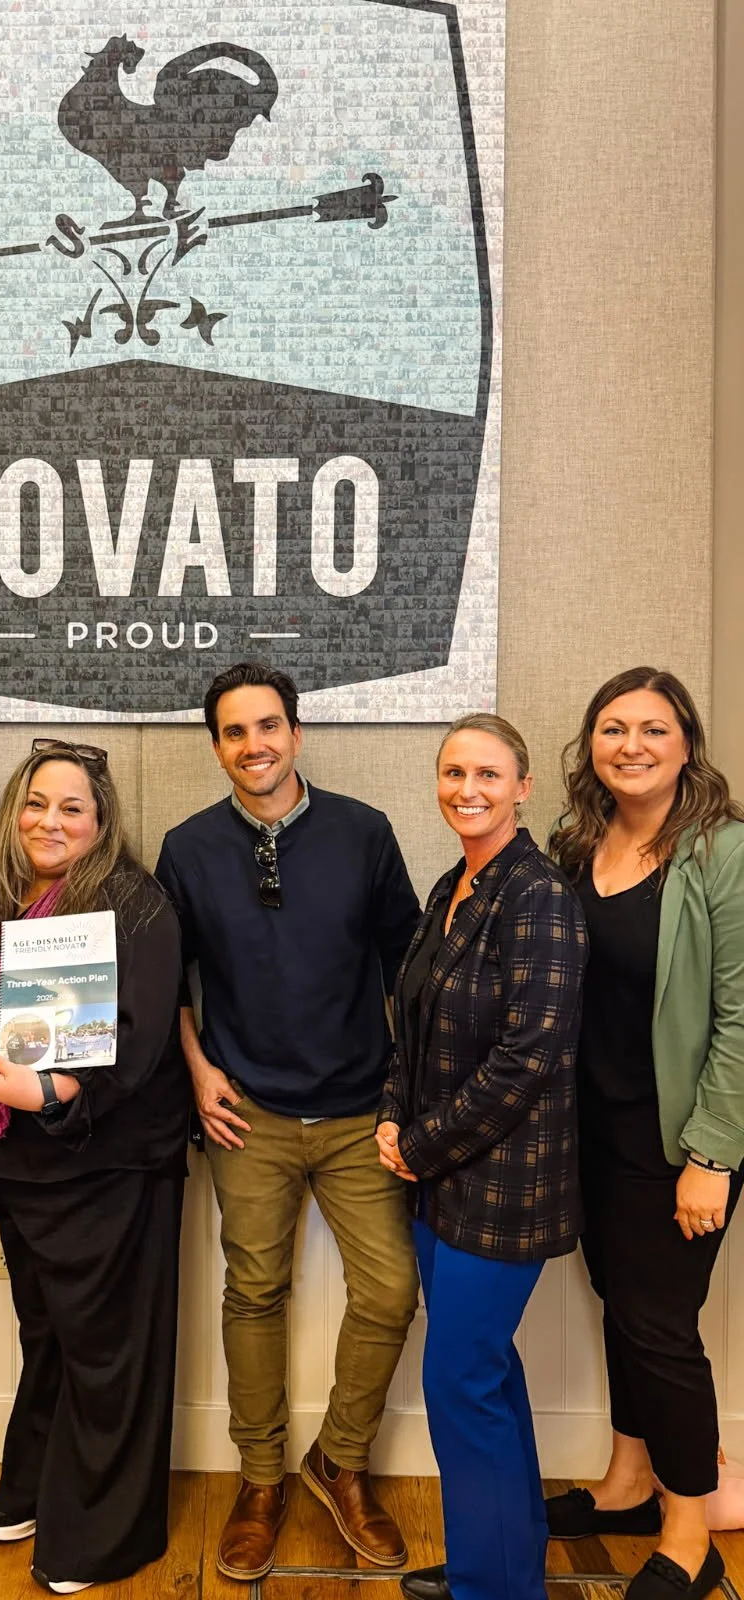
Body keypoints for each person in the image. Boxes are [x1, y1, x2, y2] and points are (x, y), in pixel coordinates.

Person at [154, 662, 421, 1579]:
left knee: (390, 1291)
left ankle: (340, 1462)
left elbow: (408, 970)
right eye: (234, 732)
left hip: (360, 1112)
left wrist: (405, 1093)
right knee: (254, 1293)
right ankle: (260, 1479)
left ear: (296, 734)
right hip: (248, 1116)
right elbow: (168, 981)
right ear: (217, 747)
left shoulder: (364, 832)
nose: (254, 745)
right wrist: (198, 1073)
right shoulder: (189, 848)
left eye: (268, 726)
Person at [0, 738, 189, 1595]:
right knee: (46, 1335)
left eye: (72, 807)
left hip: (109, 1161)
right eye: (36, 804)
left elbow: (139, 1044)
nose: (50, 821)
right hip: (20, 1162)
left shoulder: (134, 902)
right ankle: (36, 1488)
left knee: (109, 1350)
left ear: (101, 819)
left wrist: (51, 1091)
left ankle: (104, 1534)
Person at [544, 668, 744, 1600]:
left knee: (661, 1328)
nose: (631, 746)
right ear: (592, 744)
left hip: (678, 1140)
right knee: (618, 1306)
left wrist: (713, 1155)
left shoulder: (723, 852)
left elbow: (741, 1017)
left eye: (653, 729)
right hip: (589, 1129)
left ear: (686, 744)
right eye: (613, 728)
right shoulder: (576, 841)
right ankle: (627, 1484)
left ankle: (690, 1535)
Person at [377, 713, 586, 1600]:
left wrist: (420, 1144)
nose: (468, 790)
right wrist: (394, 1115)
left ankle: (491, 1587)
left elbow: (527, 1058)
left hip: (503, 1190)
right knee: (484, 1375)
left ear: (523, 787)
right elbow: (413, 1020)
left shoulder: (538, 897)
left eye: (488, 775)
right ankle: (500, 1567)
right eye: (454, 773)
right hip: (438, 1185)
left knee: (461, 1382)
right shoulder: (452, 885)